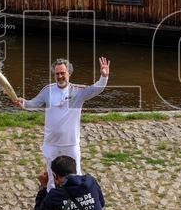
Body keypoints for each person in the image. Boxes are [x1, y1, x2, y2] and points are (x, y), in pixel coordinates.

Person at [16, 57, 110, 190]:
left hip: (70, 143)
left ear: (69, 74)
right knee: (51, 174)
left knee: (75, 174)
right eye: (57, 74)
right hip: (51, 142)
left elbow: (97, 89)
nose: (60, 76)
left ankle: (76, 200)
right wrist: (23, 103)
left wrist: (104, 76)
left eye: (62, 73)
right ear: (54, 75)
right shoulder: (47, 90)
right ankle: (52, 198)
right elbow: (33, 103)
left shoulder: (79, 91)